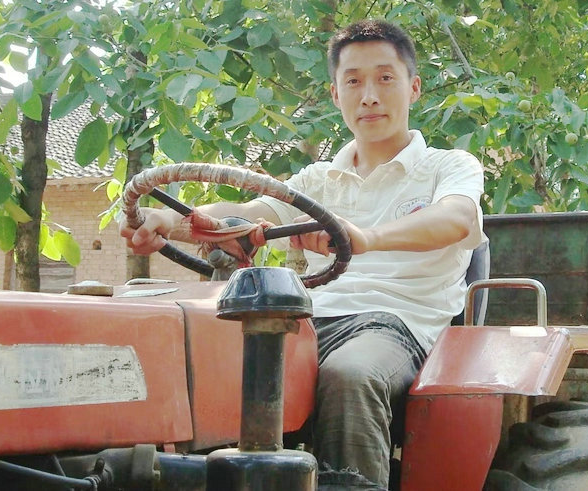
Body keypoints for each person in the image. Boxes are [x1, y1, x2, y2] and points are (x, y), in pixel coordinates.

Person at [120, 19, 485, 489]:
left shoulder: (448, 166)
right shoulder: (317, 179)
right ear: (335, 94)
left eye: (385, 78)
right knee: (200, 360)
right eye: (353, 81)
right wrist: (170, 221)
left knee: (350, 375)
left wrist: (367, 237)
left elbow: (456, 218)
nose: (369, 96)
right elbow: (248, 212)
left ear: (413, 88)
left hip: (395, 325)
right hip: (307, 321)